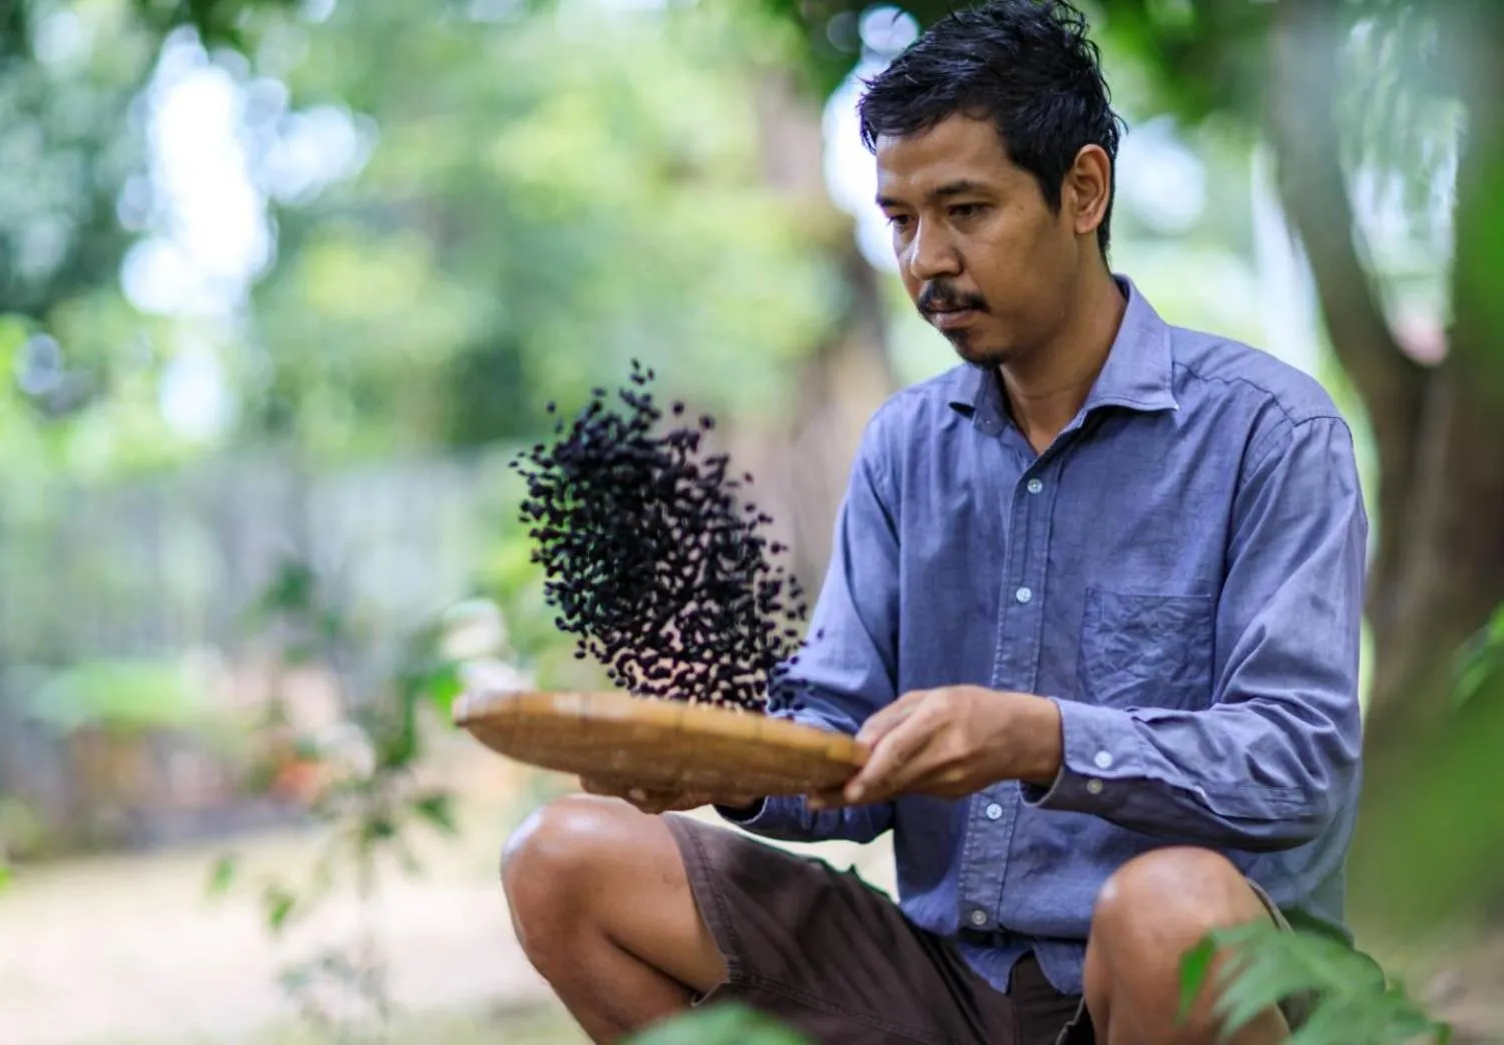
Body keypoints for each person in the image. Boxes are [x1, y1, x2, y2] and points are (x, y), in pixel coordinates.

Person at [500, 1, 1369, 1042]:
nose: (925, 260)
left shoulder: (1269, 431)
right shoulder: (903, 446)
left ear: (1082, 190)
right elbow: (842, 743)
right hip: (948, 982)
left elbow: (1297, 768)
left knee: (1166, 910)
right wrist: (722, 767)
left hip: (1179, 976)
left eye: (965, 210)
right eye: (900, 220)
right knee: (560, 856)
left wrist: (1039, 737)